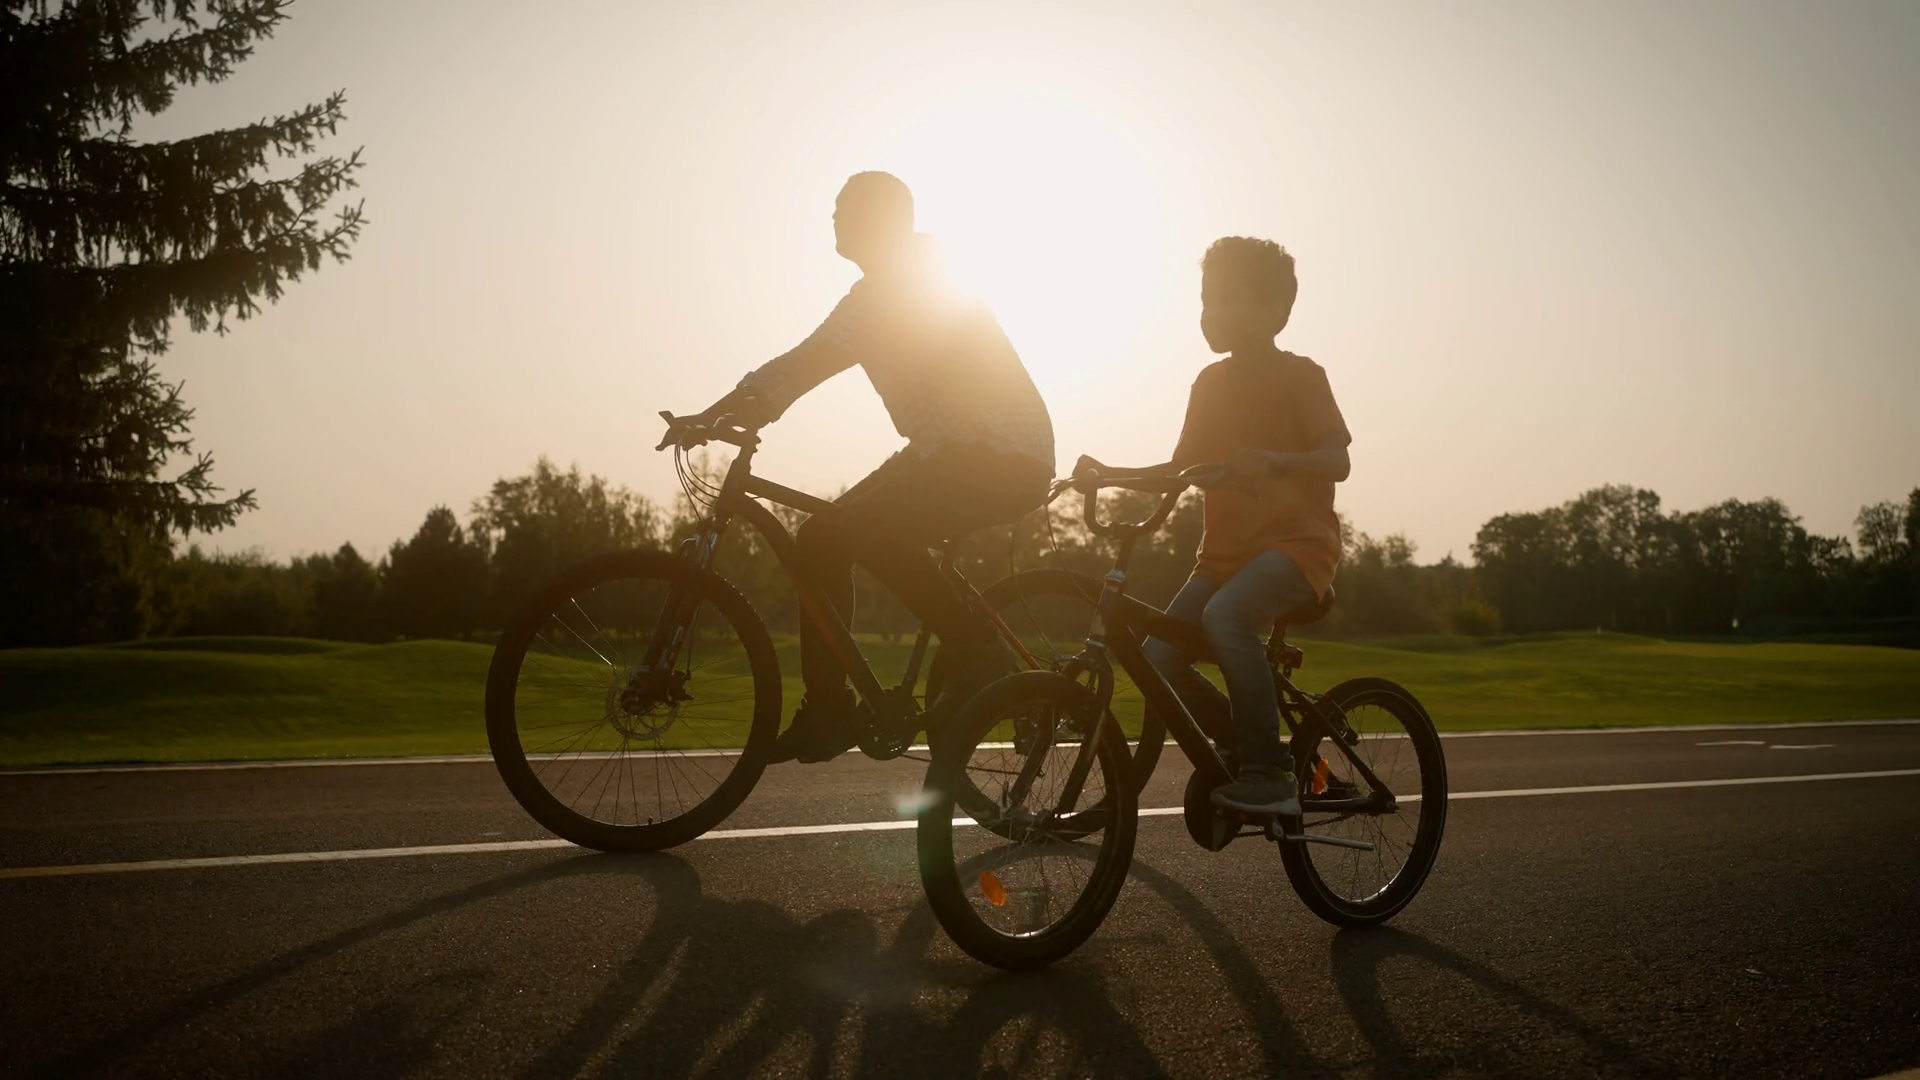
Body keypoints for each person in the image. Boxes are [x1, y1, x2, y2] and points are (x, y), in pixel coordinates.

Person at [691, 171, 1055, 763]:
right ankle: (834, 706)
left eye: (844, 208)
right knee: (822, 538)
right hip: (951, 452)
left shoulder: (903, 287)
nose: (833, 218)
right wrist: (715, 412)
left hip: (997, 455)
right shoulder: (883, 291)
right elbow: (801, 361)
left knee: (849, 532)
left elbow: (804, 367)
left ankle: (971, 648)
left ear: (882, 221)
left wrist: (721, 412)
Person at [1083, 236, 1351, 816]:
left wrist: (1276, 460)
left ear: (1276, 312)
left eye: (1230, 301)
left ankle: (1269, 774)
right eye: (1207, 300)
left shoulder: (1302, 376)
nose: (1212, 314)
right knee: (1156, 660)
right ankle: (1243, 733)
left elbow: (1339, 461)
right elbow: (1177, 471)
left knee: (1225, 616)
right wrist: (1107, 475)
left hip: (1297, 549)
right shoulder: (1208, 384)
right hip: (1223, 557)